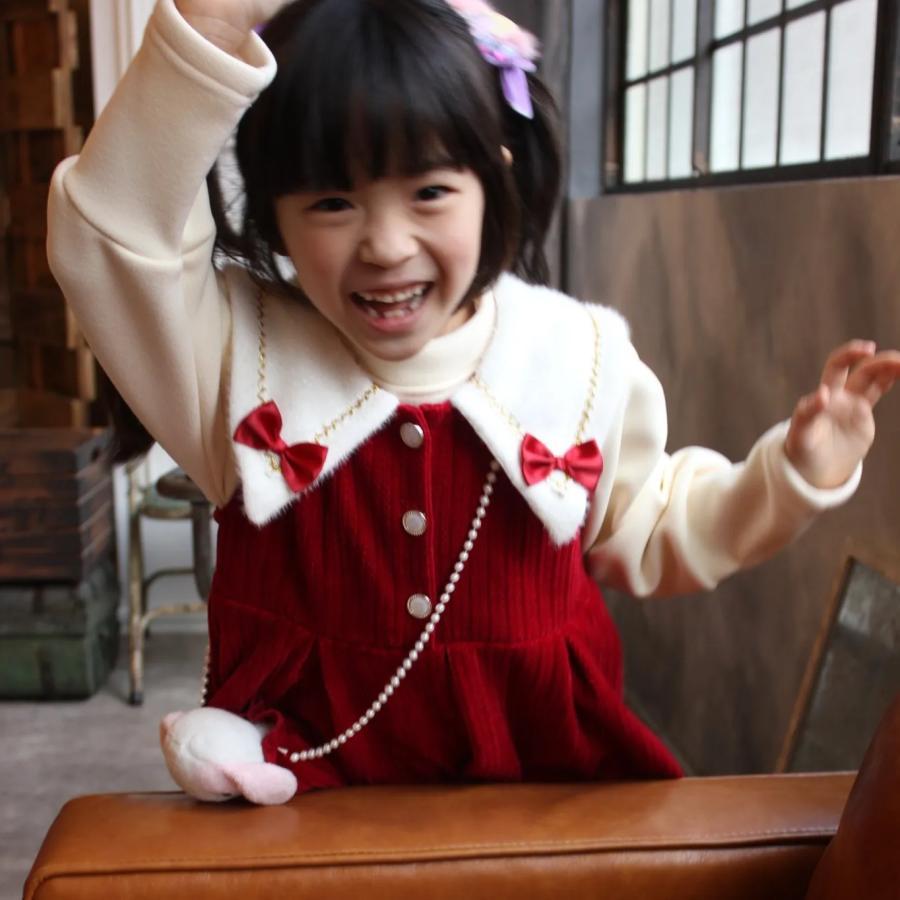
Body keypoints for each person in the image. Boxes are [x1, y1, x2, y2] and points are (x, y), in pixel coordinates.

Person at [47, 0, 900, 805]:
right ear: (274, 215)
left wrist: (787, 476)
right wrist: (208, 24)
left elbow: (656, 529)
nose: (386, 245)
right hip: (301, 815)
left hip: (545, 810)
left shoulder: (575, 355)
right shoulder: (235, 358)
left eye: (429, 192)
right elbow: (110, 234)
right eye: (333, 202)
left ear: (495, 180)